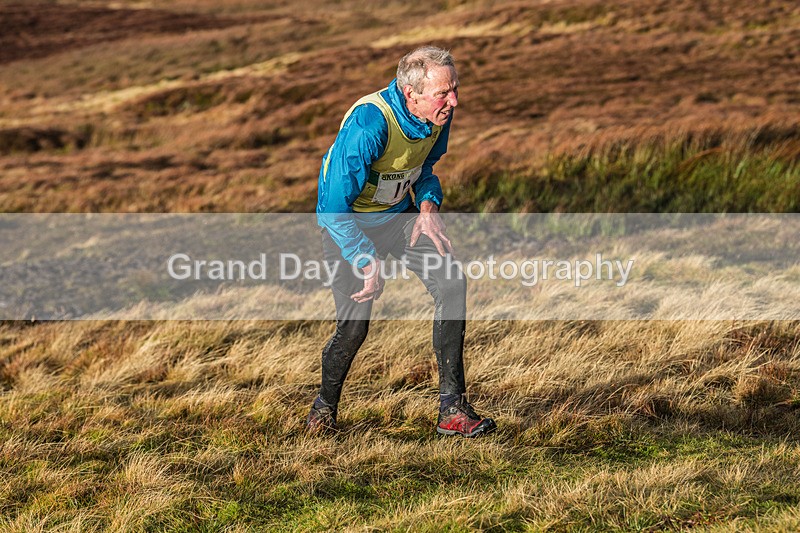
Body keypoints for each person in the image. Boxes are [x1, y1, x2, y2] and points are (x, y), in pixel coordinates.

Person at [309, 45, 496, 438]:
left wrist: (427, 206)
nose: (454, 101)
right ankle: (322, 411)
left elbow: (424, 167)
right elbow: (332, 207)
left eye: (455, 89)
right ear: (411, 94)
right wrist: (363, 257)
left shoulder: (437, 115)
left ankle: (452, 410)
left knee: (451, 282)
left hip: (399, 218)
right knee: (354, 327)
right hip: (349, 226)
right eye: (443, 93)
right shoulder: (369, 125)